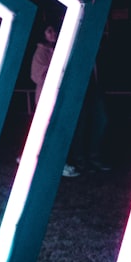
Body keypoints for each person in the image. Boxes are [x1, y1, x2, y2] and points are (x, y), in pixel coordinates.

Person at [28, 22, 80, 177]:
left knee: (55, 130)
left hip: (58, 96)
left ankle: (53, 162)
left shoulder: (59, 49)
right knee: (51, 130)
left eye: (54, 30)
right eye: (49, 30)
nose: (53, 34)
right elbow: (37, 75)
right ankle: (55, 164)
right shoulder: (41, 51)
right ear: (43, 33)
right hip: (47, 97)